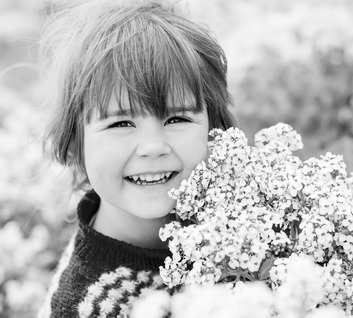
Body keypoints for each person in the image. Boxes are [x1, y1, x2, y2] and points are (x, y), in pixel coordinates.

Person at [38, 0, 234, 317]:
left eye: (177, 119)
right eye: (121, 124)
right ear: (75, 145)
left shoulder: (237, 218)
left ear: (216, 128)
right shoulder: (87, 304)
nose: (153, 146)